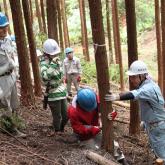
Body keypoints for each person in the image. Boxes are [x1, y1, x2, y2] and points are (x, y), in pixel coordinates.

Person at [105, 60, 165, 161]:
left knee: (162, 156)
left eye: (133, 77)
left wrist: (116, 97)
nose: (131, 80)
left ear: (141, 76)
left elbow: (134, 94)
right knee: (158, 152)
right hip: (154, 124)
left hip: (157, 127)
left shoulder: (148, 89)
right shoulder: (148, 82)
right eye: (131, 77)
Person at [67, 88, 127, 164]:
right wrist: (92, 129)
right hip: (84, 135)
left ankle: (121, 160)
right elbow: (78, 128)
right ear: (80, 104)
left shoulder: (94, 97)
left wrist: (111, 113)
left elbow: (106, 108)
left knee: (113, 144)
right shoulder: (73, 111)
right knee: (94, 151)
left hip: (96, 128)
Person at [0, 12, 25, 137]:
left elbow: (11, 56)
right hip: (1, 79)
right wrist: (6, 67)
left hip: (11, 76)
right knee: (5, 105)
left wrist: (15, 69)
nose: (4, 29)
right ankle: (10, 129)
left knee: (15, 103)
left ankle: (16, 123)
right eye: (1, 27)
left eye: (6, 26)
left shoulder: (8, 39)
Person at [40, 39, 68, 134]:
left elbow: (60, 74)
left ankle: (61, 129)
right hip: (53, 93)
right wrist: (52, 65)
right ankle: (58, 132)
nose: (55, 56)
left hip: (62, 91)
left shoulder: (58, 61)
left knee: (66, 115)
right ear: (47, 54)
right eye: (53, 54)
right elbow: (45, 78)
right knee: (57, 116)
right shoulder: (44, 63)